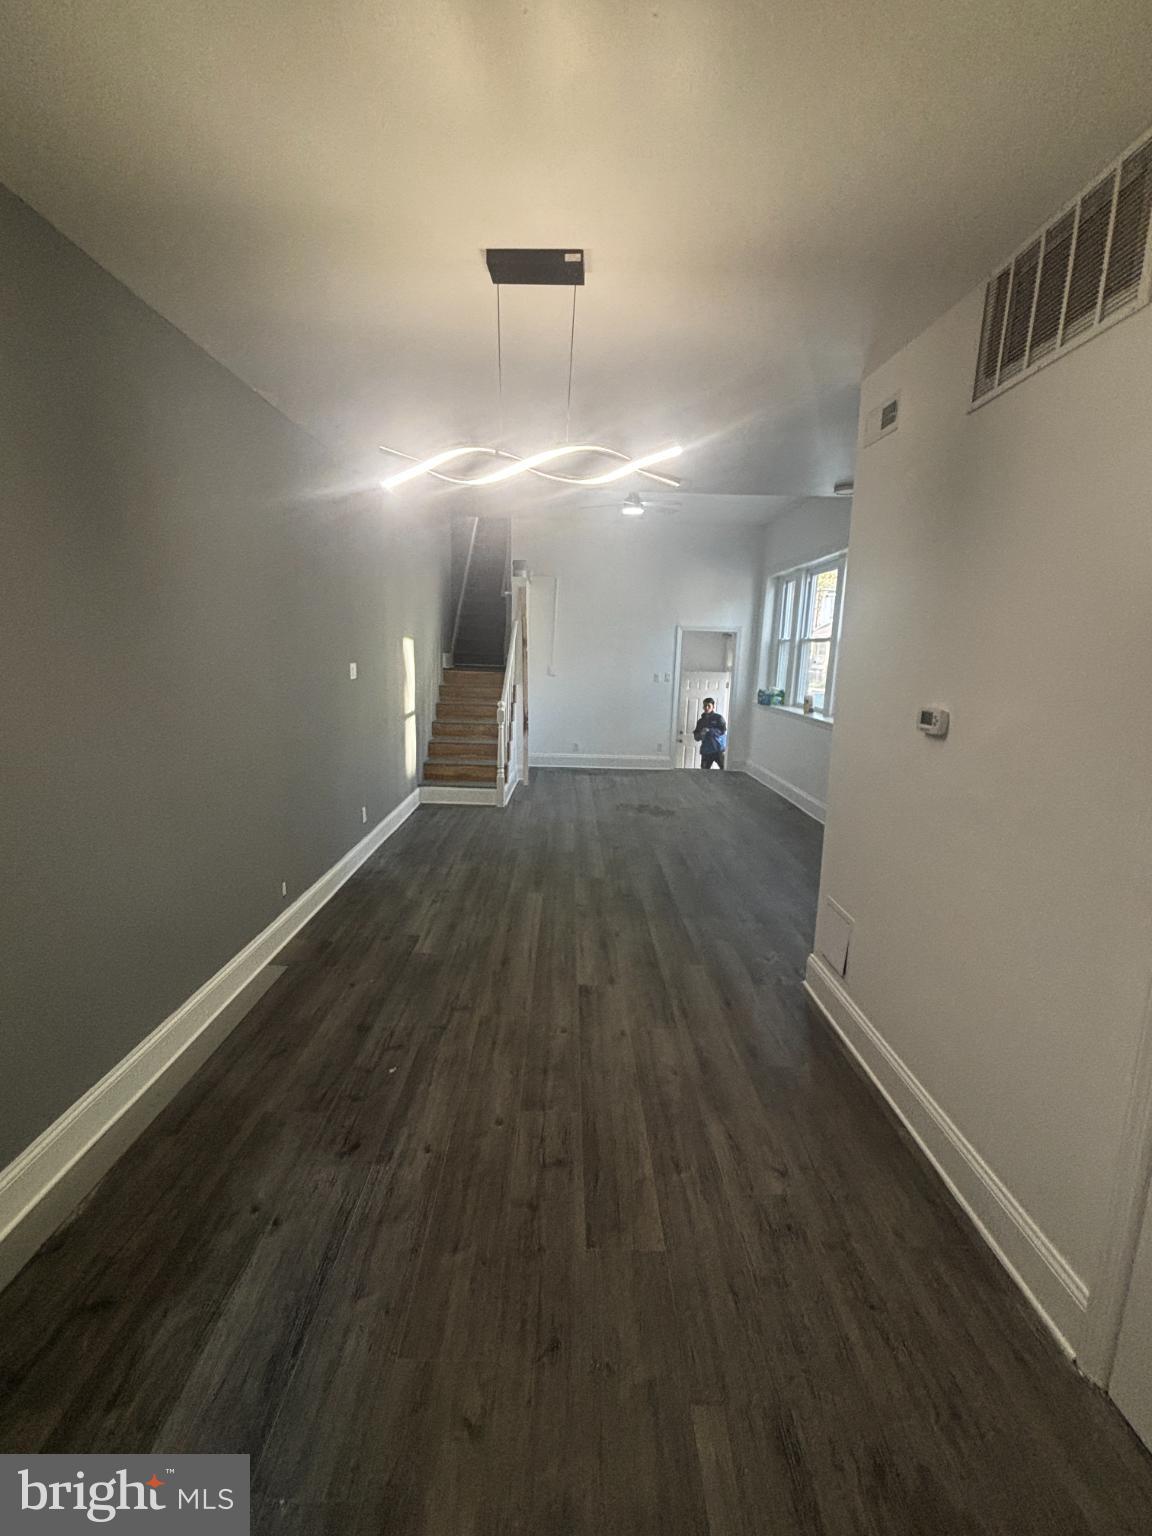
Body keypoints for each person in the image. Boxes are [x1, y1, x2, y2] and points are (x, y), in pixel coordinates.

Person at [693, 697, 727, 770]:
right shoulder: (700, 721)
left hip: (718, 749)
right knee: (704, 772)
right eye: (705, 706)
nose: (706, 708)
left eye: (709, 706)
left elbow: (723, 731)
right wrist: (701, 734)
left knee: (725, 769)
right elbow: (696, 737)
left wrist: (710, 730)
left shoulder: (718, 718)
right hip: (706, 751)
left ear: (713, 706)